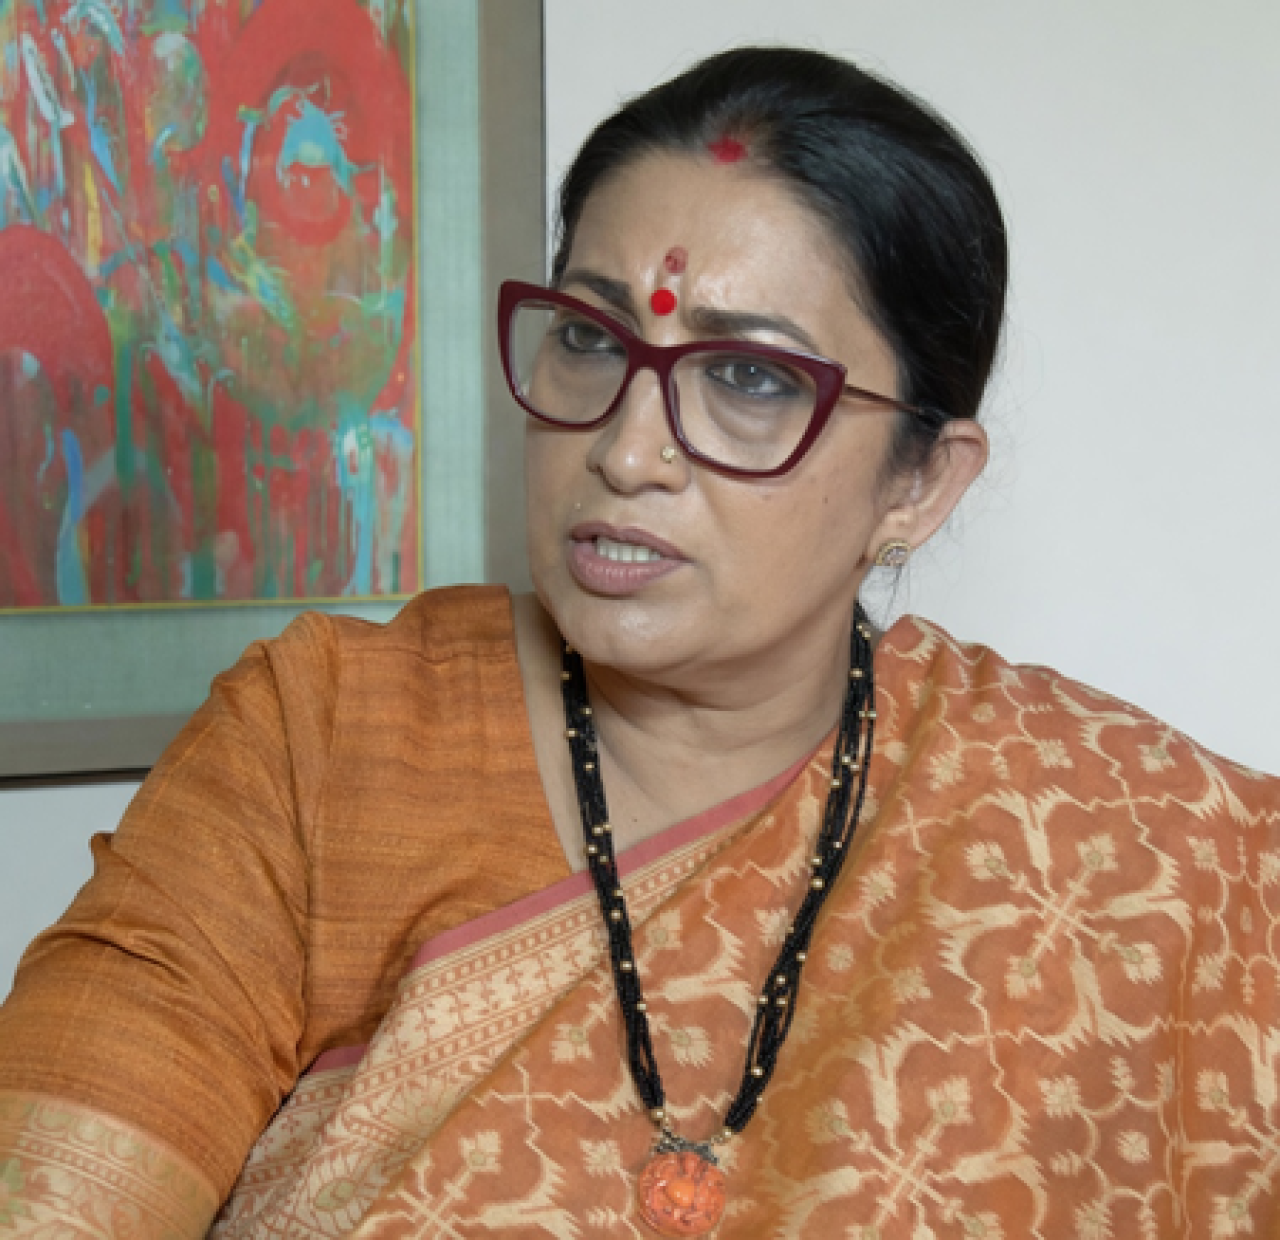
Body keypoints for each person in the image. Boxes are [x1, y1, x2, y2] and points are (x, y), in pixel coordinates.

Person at [1, 45, 1278, 1239]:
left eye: (749, 377)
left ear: (919, 483)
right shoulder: (320, 744)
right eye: (588, 337)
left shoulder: (1144, 853)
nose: (624, 449)